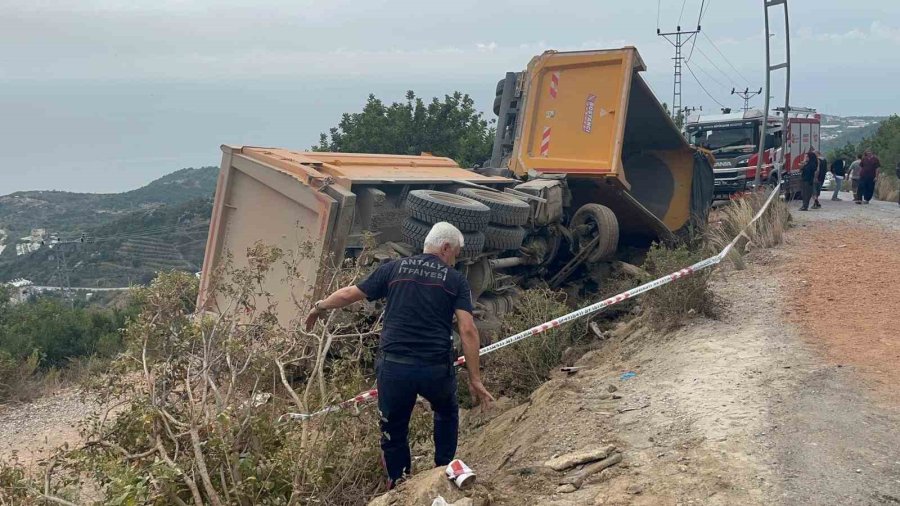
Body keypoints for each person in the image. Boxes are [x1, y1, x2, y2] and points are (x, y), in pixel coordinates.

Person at [304, 222, 494, 488]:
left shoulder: (393, 269)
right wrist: (475, 378)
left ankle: (399, 484)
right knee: (446, 414)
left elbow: (349, 294)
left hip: (394, 368)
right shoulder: (454, 280)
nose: (455, 260)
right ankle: (443, 472)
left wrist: (319, 307)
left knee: (393, 428)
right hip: (435, 369)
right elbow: (468, 330)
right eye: (456, 254)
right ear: (445, 247)